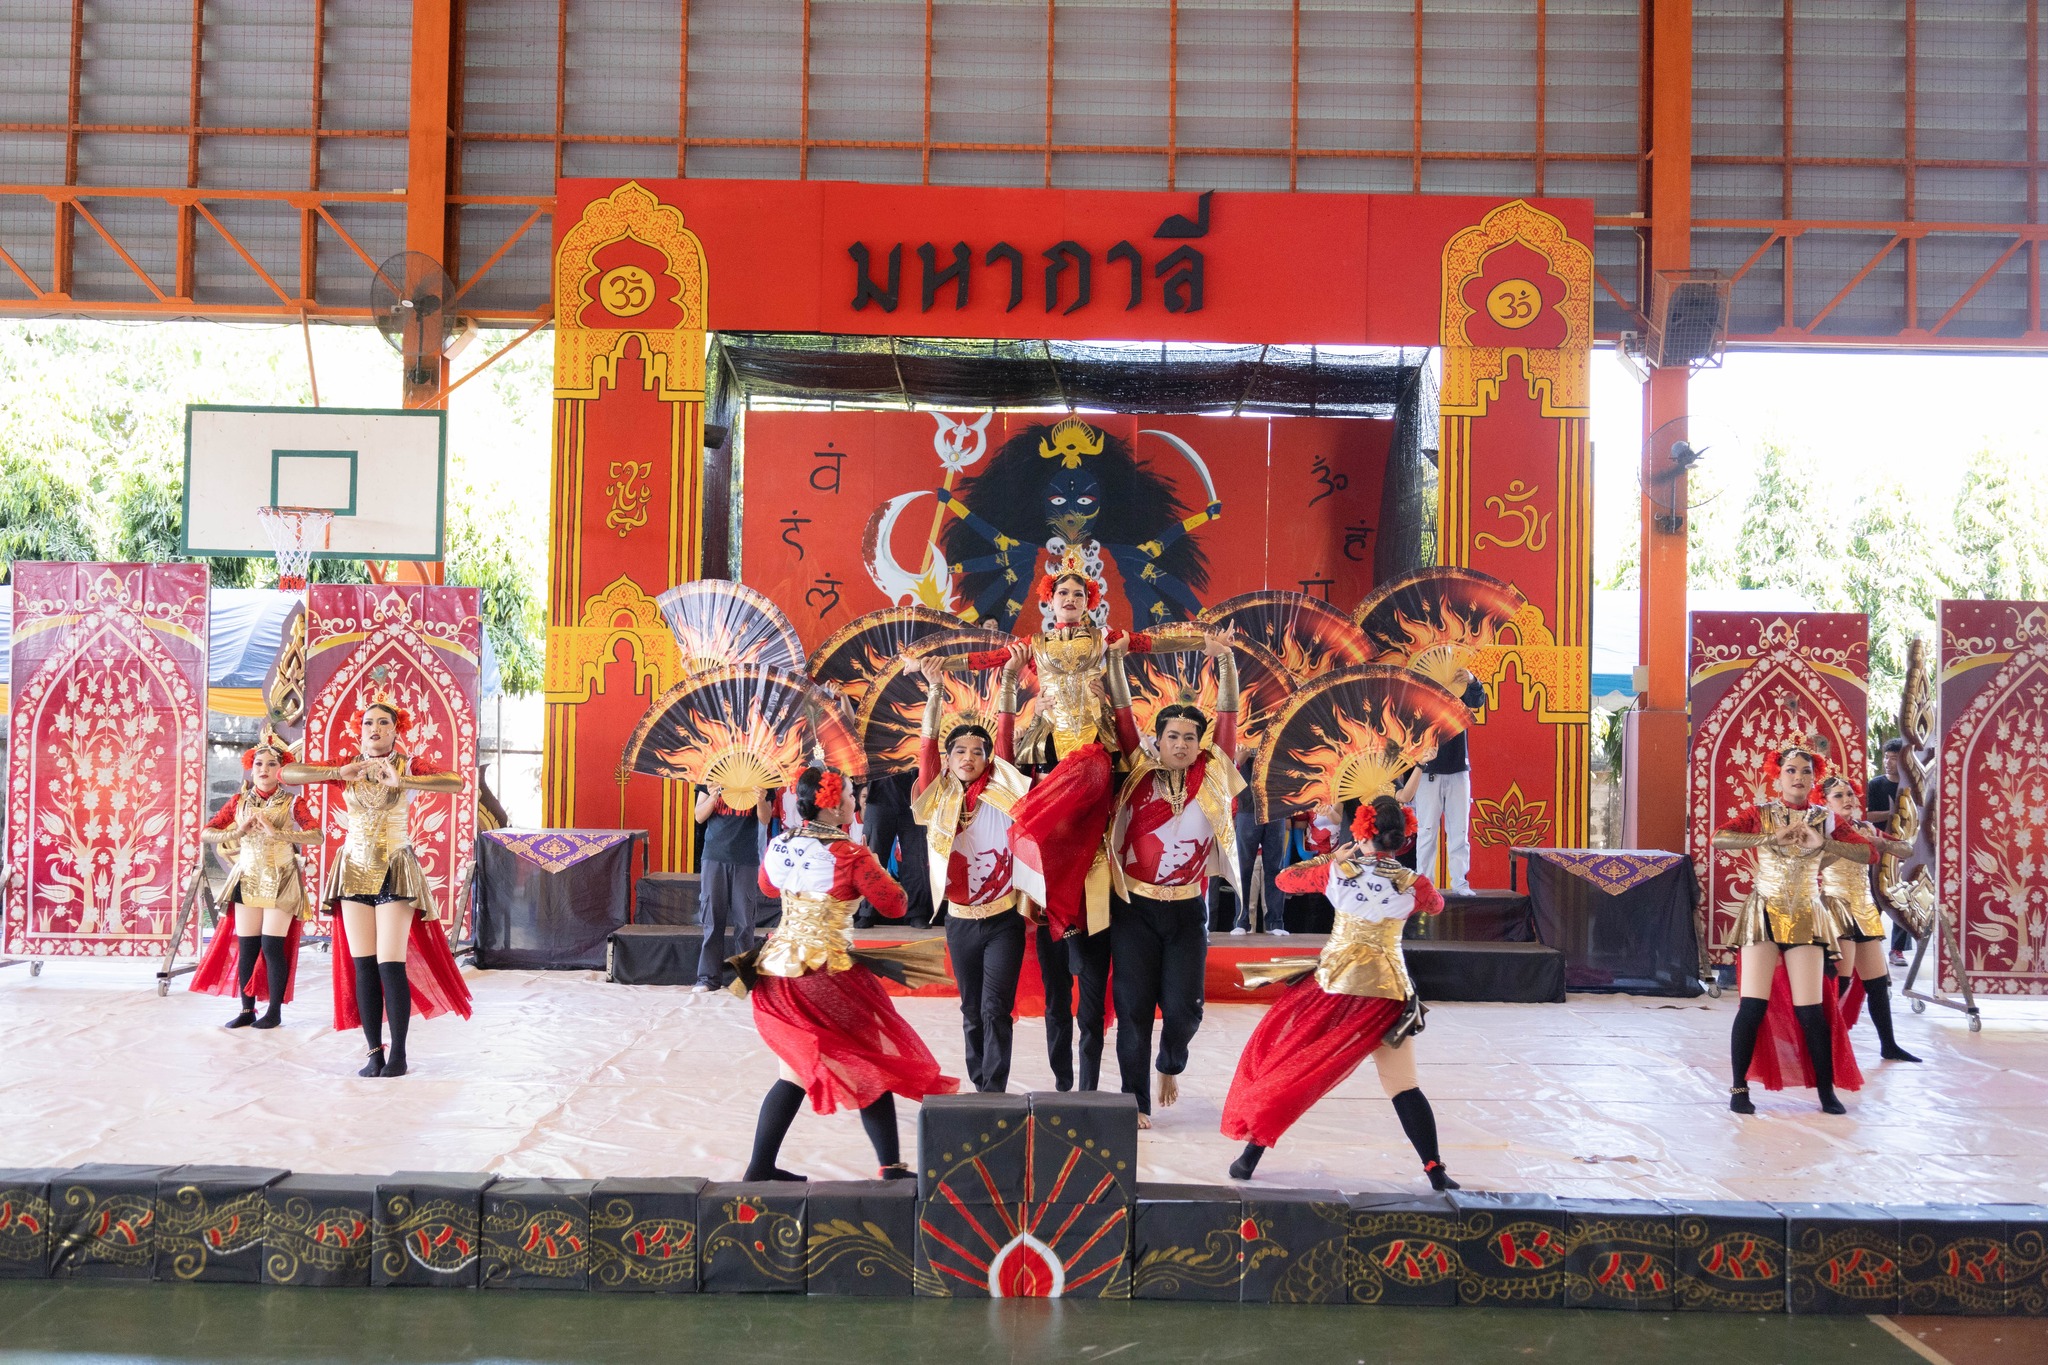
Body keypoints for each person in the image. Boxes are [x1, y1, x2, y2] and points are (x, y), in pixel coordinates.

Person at [939, 543, 1209, 1093]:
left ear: (1091, 602)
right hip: (1056, 775)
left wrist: (1205, 641)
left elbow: (1152, 643)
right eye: (1061, 592)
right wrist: (938, 664)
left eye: (1079, 593)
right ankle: (1065, 1085)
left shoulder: (1108, 642)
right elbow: (988, 661)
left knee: (1091, 987)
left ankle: (1090, 1084)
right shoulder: (1033, 646)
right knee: (1060, 993)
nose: (1070, 599)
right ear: (1048, 602)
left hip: (1096, 767)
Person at [1221, 795, 1458, 1191]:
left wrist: (1331, 858)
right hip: (1385, 997)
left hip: (1334, 989)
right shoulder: (1414, 884)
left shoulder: (1337, 873)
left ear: (1363, 832)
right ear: (1402, 837)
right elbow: (1435, 906)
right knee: (1403, 1084)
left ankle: (1248, 1158)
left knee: (1293, 1067)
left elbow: (1283, 880)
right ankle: (1436, 1170)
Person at [739, 767, 960, 1181]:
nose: (856, 802)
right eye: (851, 796)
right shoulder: (849, 854)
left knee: (794, 1071)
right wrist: (876, 864)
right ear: (835, 804)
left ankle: (760, 1166)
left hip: (777, 971)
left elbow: (769, 888)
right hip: (827, 974)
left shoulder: (780, 843)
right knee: (870, 1060)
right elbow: (894, 905)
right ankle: (890, 1166)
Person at [283, 698, 473, 1077]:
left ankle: (399, 1053)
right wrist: (339, 770)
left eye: (383, 723)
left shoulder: (407, 764)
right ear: (361, 729)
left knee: (390, 964)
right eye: (368, 722)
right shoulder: (349, 766)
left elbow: (456, 781)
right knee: (363, 966)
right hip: (353, 868)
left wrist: (403, 780)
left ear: (395, 729)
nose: (375, 729)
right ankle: (374, 1052)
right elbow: (290, 774)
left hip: (395, 867)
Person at [1103, 631, 1241, 1127]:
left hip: (1187, 910)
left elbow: (1228, 721)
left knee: (1185, 1008)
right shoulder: (1137, 771)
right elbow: (1122, 717)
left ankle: (1170, 1064)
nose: (1181, 744)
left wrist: (1225, 664)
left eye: (1189, 737)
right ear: (1157, 742)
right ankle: (1134, 1098)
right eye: (1172, 737)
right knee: (1133, 1008)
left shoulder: (1215, 775)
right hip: (1134, 909)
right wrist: (1115, 662)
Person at [1712, 741, 1871, 1115]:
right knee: (1752, 1006)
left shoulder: (1825, 817)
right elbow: (1721, 838)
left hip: (1806, 915)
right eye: (1791, 770)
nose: (1798, 777)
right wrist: (1771, 838)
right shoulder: (1761, 813)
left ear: (1813, 778)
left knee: (1811, 1010)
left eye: (1805, 771)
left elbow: (1866, 853)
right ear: (1777, 776)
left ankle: (1825, 1091)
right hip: (1764, 912)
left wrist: (1824, 841)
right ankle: (1738, 1088)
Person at [908, 655, 1030, 1093]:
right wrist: (935, 690)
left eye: (979, 751)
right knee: (971, 1009)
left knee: (997, 1007)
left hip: (1003, 922)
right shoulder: (936, 797)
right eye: (960, 750)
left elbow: (1007, 739)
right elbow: (926, 746)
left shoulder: (1006, 792)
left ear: (989, 758)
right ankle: (979, 1083)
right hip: (959, 921)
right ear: (949, 757)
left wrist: (1011, 679)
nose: (969, 756)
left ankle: (993, 1089)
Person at [189, 731, 321, 1029]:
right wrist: (237, 832)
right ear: (251, 768)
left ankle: (274, 1011)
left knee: (272, 947)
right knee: (247, 947)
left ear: (281, 770)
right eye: (258, 763)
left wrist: (279, 834)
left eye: (271, 764)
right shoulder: (238, 801)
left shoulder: (292, 802)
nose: (264, 770)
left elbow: (317, 835)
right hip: (248, 876)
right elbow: (206, 832)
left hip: (282, 877)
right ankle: (247, 1010)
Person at [1819, 775, 1922, 1063]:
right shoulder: (1825, 831)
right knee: (1839, 983)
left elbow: (1907, 849)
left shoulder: (1864, 826)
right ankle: (1822, 1046)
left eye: (1850, 793)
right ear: (1825, 803)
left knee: (1876, 983)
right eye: (1839, 796)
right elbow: (1818, 863)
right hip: (1837, 906)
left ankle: (1888, 1045)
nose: (1848, 799)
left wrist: (1878, 841)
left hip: (1864, 908)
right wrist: (1846, 844)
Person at [692, 783, 774, 993]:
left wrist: (761, 799)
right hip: (714, 856)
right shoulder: (710, 774)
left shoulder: (760, 777)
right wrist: (712, 797)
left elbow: (765, 818)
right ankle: (708, 978)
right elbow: (699, 816)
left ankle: (745, 979)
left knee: (745, 922)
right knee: (712, 920)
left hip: (746, 859)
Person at [1413, 670, 1487, 896]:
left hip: (1458, 768)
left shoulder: (1458, 687)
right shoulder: (1419, 690)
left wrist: (1472, 679)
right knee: (1426, 831)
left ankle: (1460, 883)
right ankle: (1425, 885)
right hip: (1427, 771)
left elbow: (1478, 700)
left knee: (1459, 831)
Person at [853, 769, 933, 928]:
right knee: (872, 855)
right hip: (879, 792)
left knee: (917, 857)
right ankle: (867, 912)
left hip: (913, 792)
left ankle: (917, 912)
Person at [1227, 746, 1291, 936]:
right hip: (1248, 807)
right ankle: (1241, 920)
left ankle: (1275, 922)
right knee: (1244, 867)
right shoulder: (1244, 731)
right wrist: (1241, 757)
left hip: (1275, 807)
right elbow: (1231, 770)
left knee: (1274, 867)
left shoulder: (1278, 732)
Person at [1864, 739, 1912, 965]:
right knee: (1874, 897)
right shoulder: (1875, 784)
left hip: (1902, 850)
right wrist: (1890, 813)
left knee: (1901, 899)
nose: (1888, 763)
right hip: (1876, 850)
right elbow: (1866, 817)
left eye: (1894, 758)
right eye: (1886, 758)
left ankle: (1897, 950)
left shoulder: (1910, 786)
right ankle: (1871, 944)